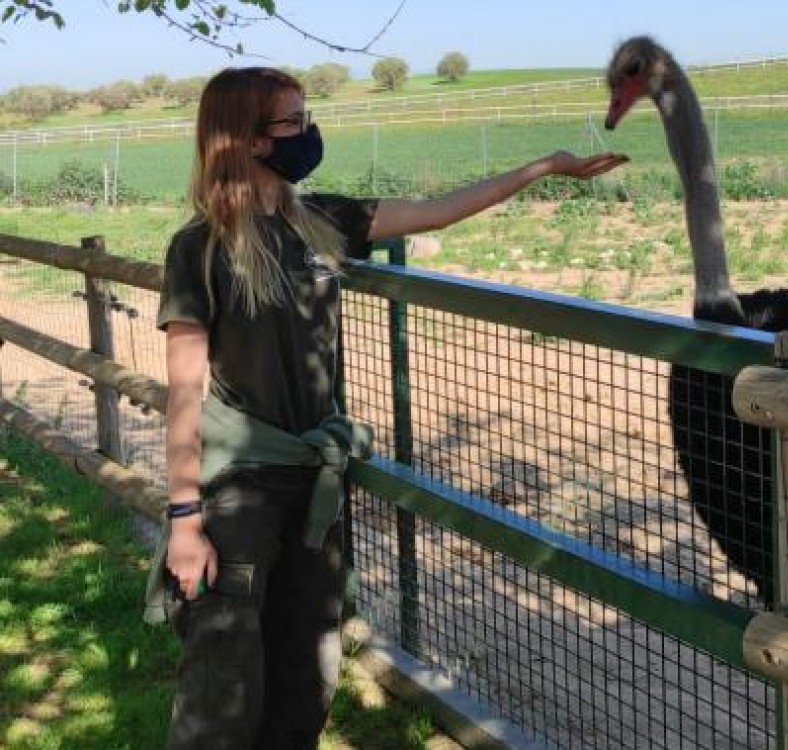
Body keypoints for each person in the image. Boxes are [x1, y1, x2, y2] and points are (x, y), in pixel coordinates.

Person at [154, 65, 627, 750]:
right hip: (239, 487)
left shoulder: (323, 222)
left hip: (316, 483)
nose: (309, 132)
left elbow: (438, 209)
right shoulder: (200, 249)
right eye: (293, 121)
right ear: (249, 140)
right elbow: (183, 392)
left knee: (308, 669)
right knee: (222, 679)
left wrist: (544, 168)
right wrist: (184, 521)